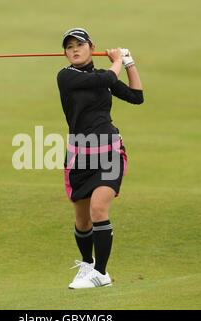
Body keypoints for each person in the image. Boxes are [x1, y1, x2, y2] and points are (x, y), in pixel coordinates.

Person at [57, 28, 143, 289]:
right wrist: (116, 61)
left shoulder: (102, 77)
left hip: (108, 151)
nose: (74, 50)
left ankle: (101, 274)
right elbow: (104, 77)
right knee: (82, 220)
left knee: (98, 210)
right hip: (79, 155)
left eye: (79, 45)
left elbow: (136, 97)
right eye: (69, 47)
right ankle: (87, 264)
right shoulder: (66, 76)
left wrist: (128, 64)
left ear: (91, 47)